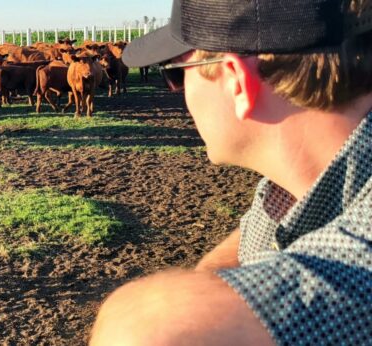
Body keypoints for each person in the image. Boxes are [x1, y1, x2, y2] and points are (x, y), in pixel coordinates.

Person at [90, 0, 372, 344]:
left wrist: (179, 307)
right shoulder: (293, 187)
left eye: (176, 73)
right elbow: (255, 237)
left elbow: (148, 329)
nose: (177, 91)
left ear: (237, 81)